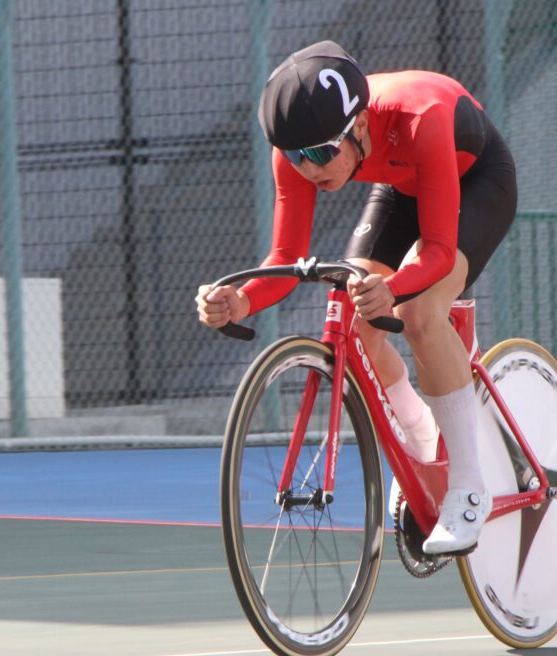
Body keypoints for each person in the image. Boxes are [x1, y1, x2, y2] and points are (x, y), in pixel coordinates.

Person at [195, 41, 517, 554]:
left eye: (321, 154)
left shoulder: (419, 117)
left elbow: (437, 251)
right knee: (354, 316)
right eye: (295, 157)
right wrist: (241, 302)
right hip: (400, 184)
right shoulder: (303, 147)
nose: (308, 169)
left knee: (417, 311)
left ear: (360, 125)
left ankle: (468, 489)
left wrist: (395, 288)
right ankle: (420, 433)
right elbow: (286, 257)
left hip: (474, 180)